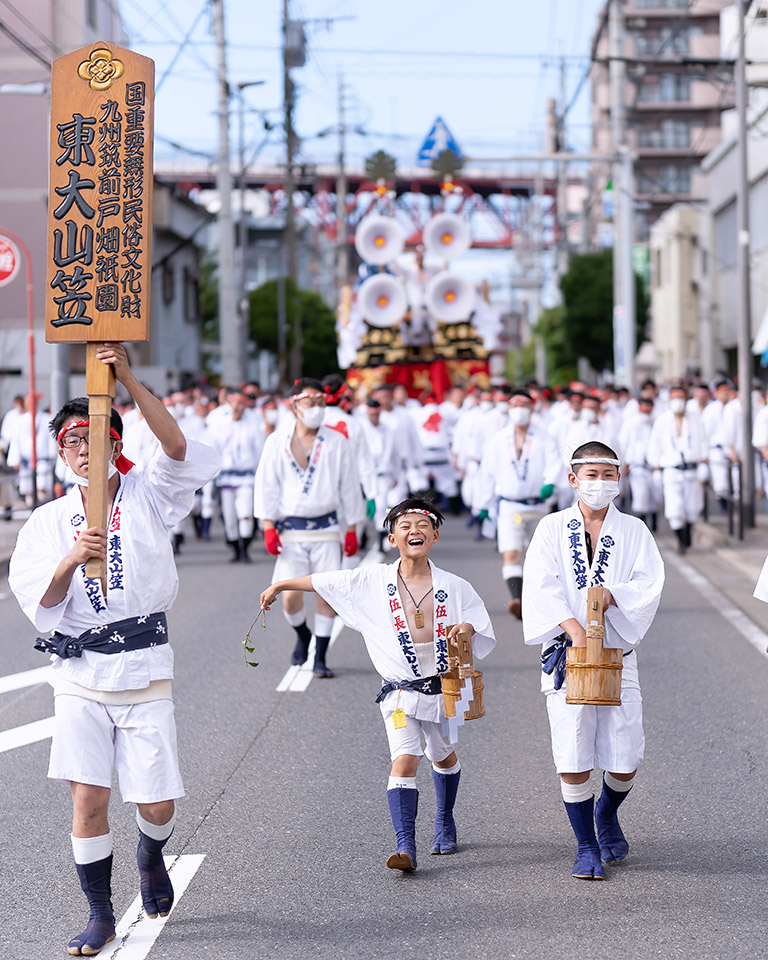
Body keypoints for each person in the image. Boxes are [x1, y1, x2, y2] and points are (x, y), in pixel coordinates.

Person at [8, 343, 221, 957]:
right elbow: (40, 602)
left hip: (145, 662)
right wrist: (71, 559)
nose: (82, 449)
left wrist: (126, 376)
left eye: (93, 437)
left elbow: (178, 448)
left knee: (156, 802)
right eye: (71, 441)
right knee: (88, 795)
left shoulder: (148, 490)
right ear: (59, 451)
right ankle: (99, 913)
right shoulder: (45, 522)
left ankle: (151, 854)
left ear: (114, 442)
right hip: (78, 670)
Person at [259, 497, 496, 871]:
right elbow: (323, 581)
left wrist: (465, 628)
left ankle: (445, 819)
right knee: (404, 760)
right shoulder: (372, 580)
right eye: (405, 527)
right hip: (399, 693)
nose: (414, 531)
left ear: (435, 535)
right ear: (392, 539)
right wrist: (280, 585)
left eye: (422, 526)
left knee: (442, 755)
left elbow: (479, 626)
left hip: (445, 689)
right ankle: (406, 846)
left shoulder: (456, 586)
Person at [522, 441, 664, 880]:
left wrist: (615, 594)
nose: (600, 484)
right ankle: (585, 845)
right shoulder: (550, 528)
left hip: (618, 655)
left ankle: (606, 811)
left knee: (625, 760)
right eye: (592, 475)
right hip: (568, 655)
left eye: (608, 475)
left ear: (618, 480)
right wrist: (577, 632)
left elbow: (650, 582)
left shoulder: (635, 530)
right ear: (573, 479)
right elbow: (542, 585)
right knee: (573, 751)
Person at [254, 378, 365, 678]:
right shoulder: (277, 441)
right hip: (291, 531)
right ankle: (303, 635)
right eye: (309, 402)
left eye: (320, 402)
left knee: (325, 592)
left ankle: (320, 656)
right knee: (289, 596)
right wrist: (267, 525)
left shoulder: (336, 441)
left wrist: (352, 527)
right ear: (294, 405)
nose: (316, 408)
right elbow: (266, 485)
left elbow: (349, 486)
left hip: (327, 528)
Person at [474, 389, 560, 618]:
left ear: (532, 408)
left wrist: (550, 482)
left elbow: (554, 463)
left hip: (537, 506)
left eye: (525, 405)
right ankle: (517, 599)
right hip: (510, 506)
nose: (520, 411)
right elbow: (487, 474)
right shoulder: (498, 440)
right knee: (511, 553)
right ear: (509, 409)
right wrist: (482, 504)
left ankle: (538, 599)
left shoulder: (544, 437)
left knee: (539, 556)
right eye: (515, 406)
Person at [647, 383, 709, 553]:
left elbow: (703, 440)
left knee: (692, 508)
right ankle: (681, 540)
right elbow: (655, 444)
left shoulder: (694, 418)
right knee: (674, 508)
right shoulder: (663, 420)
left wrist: (704, 462)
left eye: (681, 398)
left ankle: (687, 533)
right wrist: (656, 467)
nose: (678, 402)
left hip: (692, 470)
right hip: (671, 470)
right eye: (675, 399)